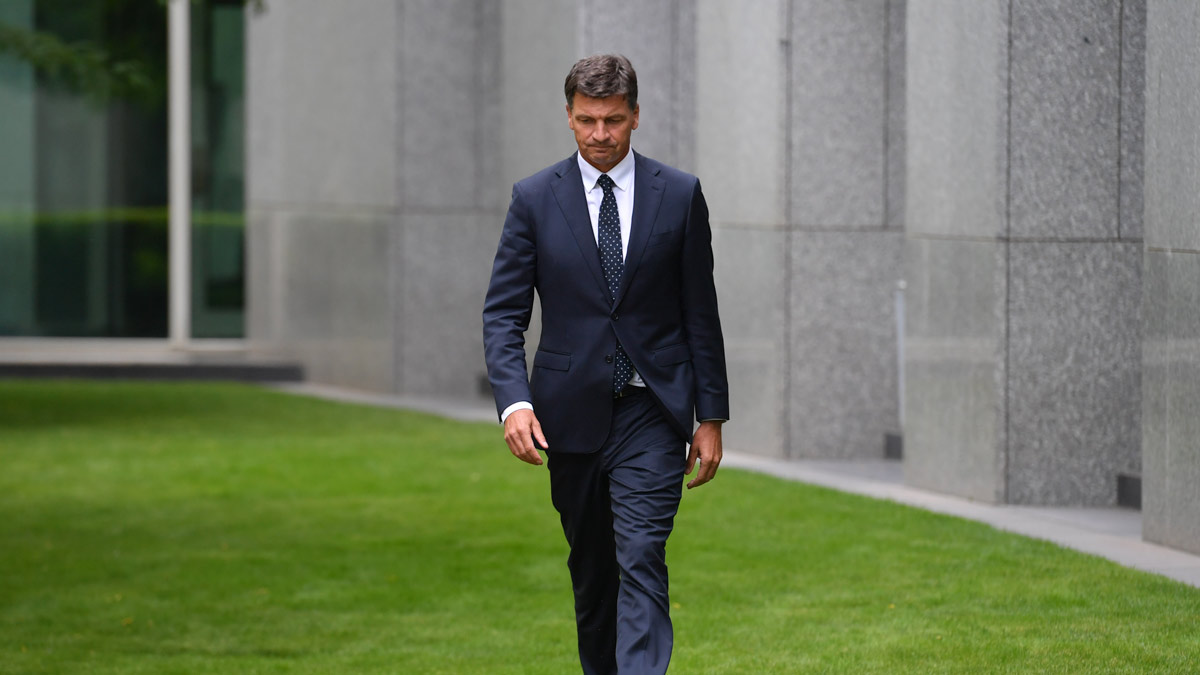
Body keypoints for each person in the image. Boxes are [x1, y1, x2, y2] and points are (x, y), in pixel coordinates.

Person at [482, 53, 729, 675]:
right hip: (568, 417)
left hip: (654, 410)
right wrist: (514, 402)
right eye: (588, 120)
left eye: (613, 121)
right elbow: (503, 315)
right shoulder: (534, 200)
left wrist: (711, 416)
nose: (600, 135)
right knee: (594, 575)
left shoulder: (679, 195)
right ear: (568, 117)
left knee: (641, 553)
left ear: (636, 117)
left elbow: (701, 310)